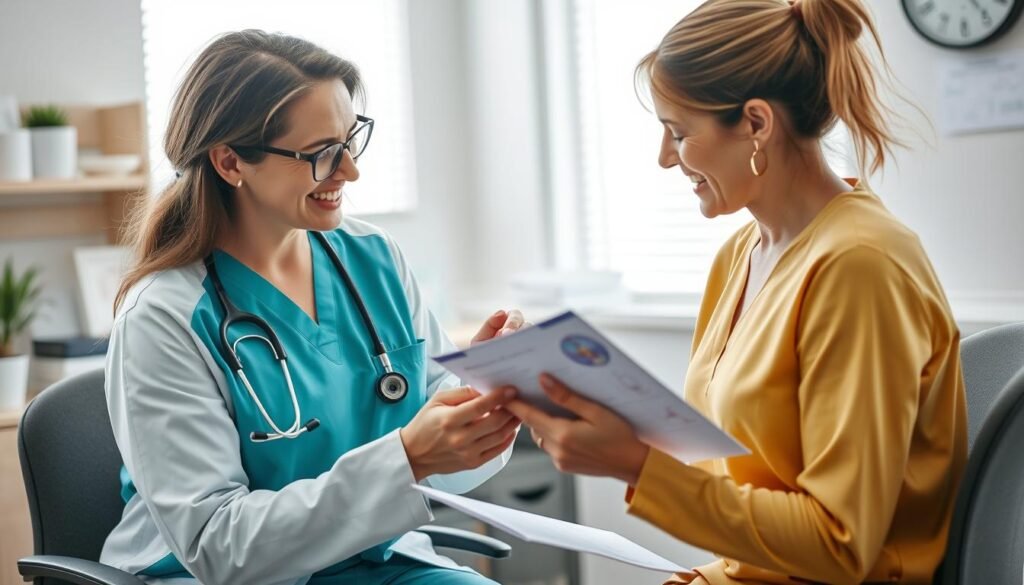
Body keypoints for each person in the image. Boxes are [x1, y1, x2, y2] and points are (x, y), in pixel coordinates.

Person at [506, 1, 967, 583]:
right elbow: (745, 480)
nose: (664, 158)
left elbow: (839, 546)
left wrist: (636, 465)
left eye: (679, 133)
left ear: (756, 123)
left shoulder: (860, 265)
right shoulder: (741, 255)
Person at [103, 30, 525, 585]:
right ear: (231, 162)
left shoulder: (374, 259)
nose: (350, 170)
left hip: (374, 561)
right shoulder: (163, 318)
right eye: (323, 153)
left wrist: (483, 401)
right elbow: (217, 547)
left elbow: (443, 458)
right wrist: (408, 458)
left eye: (351, 141)